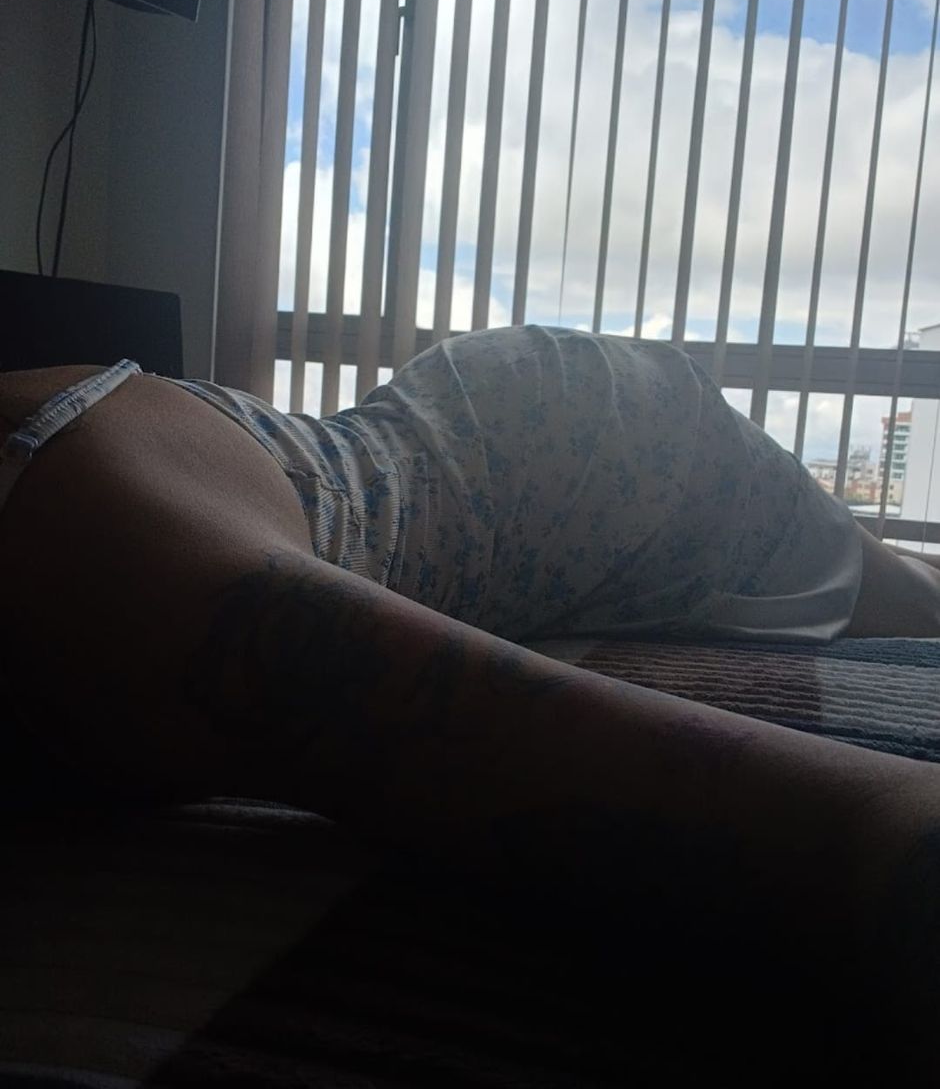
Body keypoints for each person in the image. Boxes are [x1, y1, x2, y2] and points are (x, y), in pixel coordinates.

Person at [1, 325, 939, 1067]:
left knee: (901, 593)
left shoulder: (113, 585)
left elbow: (861, 841)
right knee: (886, 576)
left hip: (600, 459)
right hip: (509, 425)